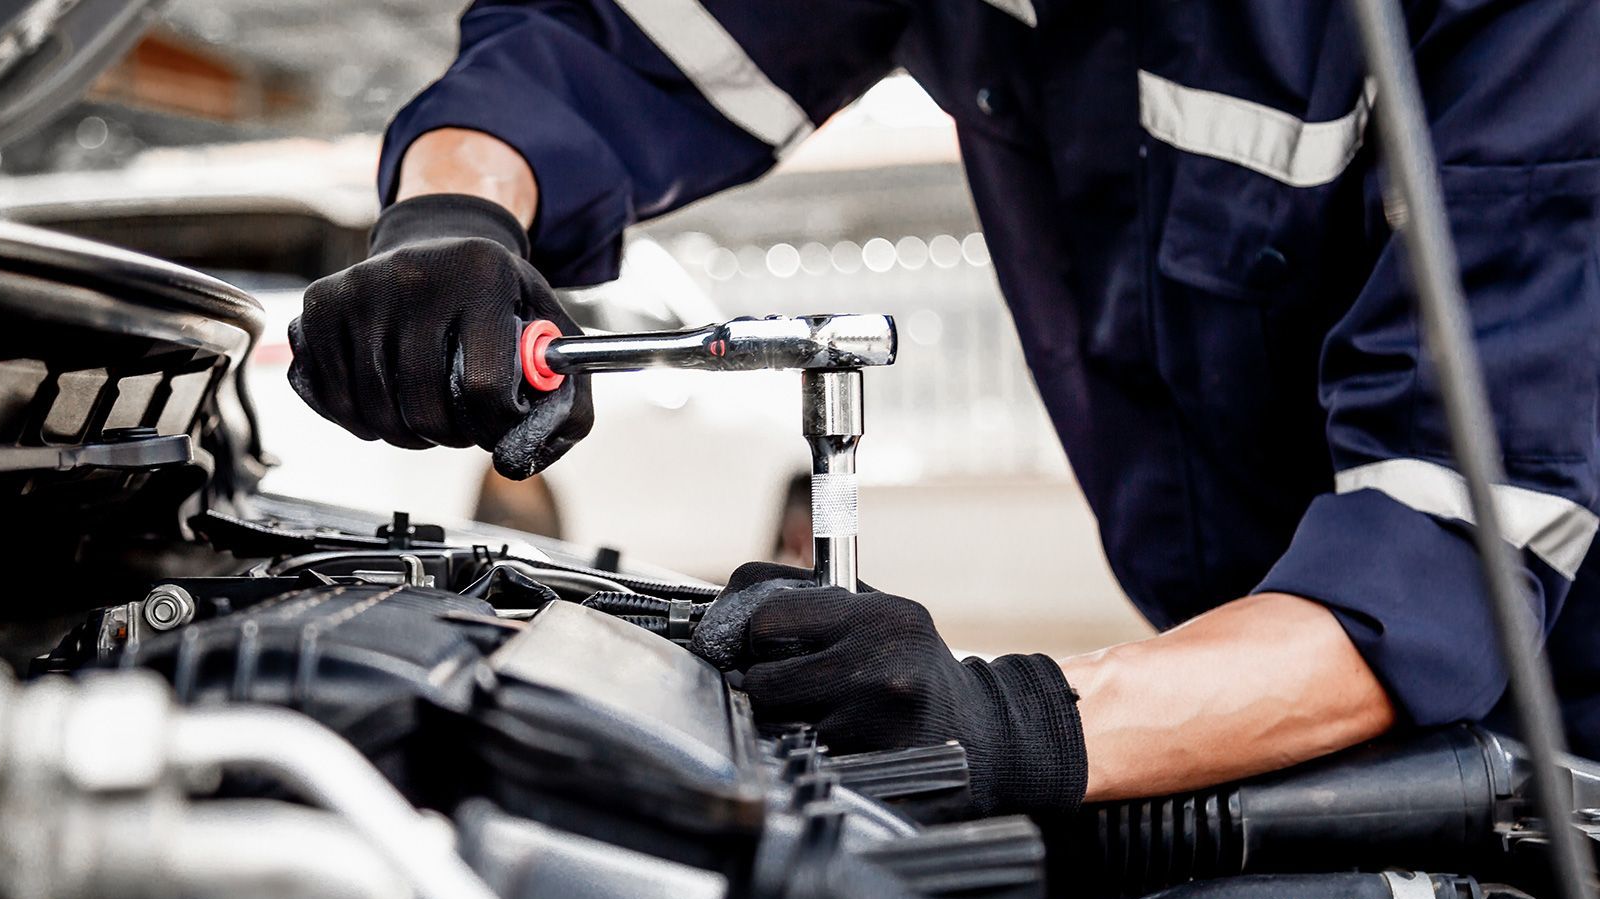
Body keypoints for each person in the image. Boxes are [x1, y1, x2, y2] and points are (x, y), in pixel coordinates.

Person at [287, 1, 1600, 817]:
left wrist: (1016, 726)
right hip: (1239, 680)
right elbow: (613, 38)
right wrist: (457, 209)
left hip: (1553, 752)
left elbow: (1444, 554)